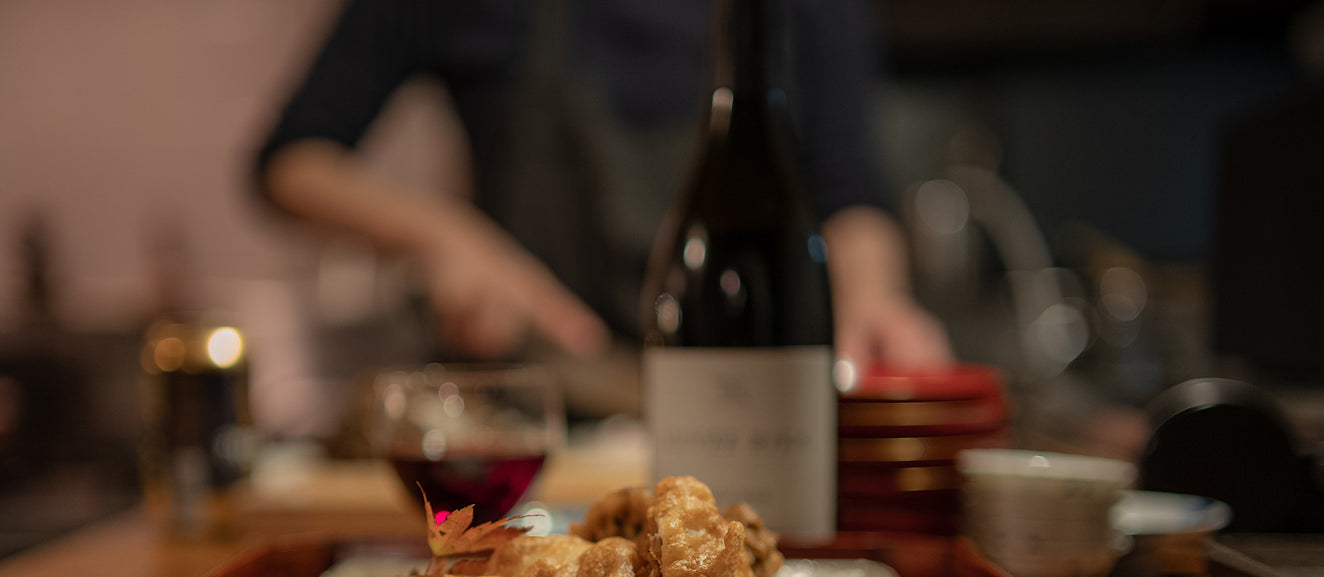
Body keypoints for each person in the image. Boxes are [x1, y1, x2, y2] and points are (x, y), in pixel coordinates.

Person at [253, 0, 952, 415]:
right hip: (538, 416)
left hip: (742, 411)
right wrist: (444, 237)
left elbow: (846, 184)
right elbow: (291, 160)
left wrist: (872, 302)